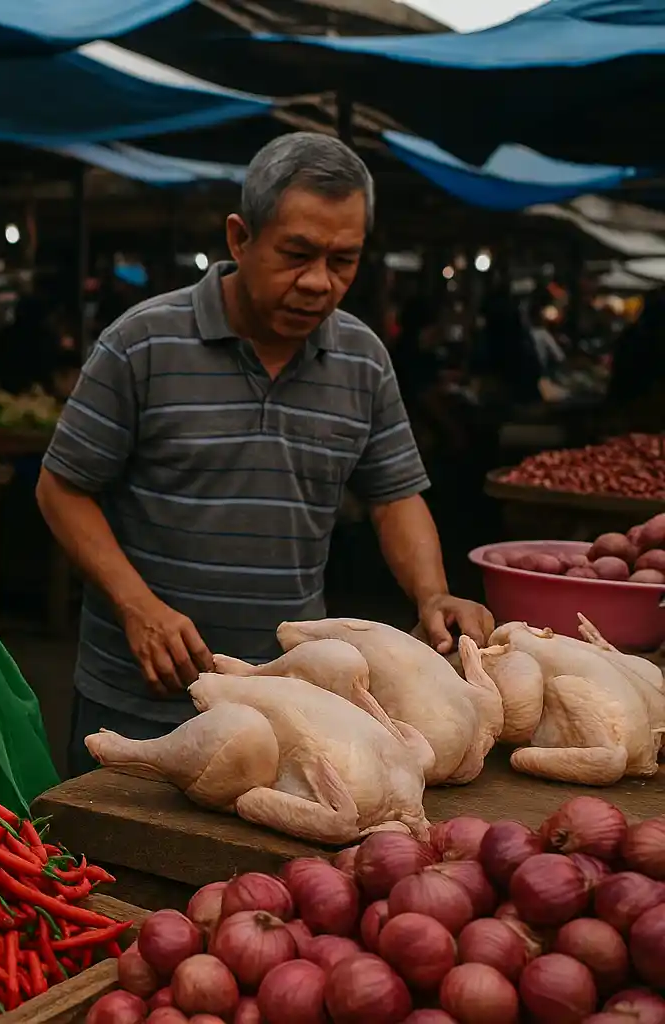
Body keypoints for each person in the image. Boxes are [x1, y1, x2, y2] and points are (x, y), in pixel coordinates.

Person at [36, 133, 493, 777]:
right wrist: (138, 606)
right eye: (296, 254)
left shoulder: (362, 360)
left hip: (294, 705)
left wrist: (433, 594)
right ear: (240, 238)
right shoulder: (141, 344)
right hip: (142, 699)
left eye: (343, 260)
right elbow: (61, 488)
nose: (318, 282)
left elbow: (394, 497)